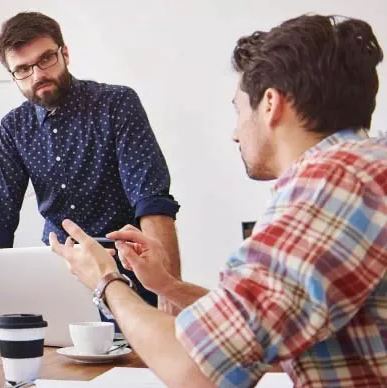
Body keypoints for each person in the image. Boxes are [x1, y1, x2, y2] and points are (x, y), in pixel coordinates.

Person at [54, 14, 386, 387]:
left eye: (238, 109)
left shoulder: (334, 185)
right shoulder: (362, 170)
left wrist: (105, 280)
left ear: (271, 104)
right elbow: (256, 329)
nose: (235, 132)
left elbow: (195, 371)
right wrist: (167, 286)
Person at [0, 11, 183, 333]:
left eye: (46, 60)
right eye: (23, 69)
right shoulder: (14, 127)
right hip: (60, 275)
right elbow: (2, 216)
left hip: (127, 267)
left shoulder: (116, 103)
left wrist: (169, 286)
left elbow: (151, 199)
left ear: (64, 53)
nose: (37, 75)